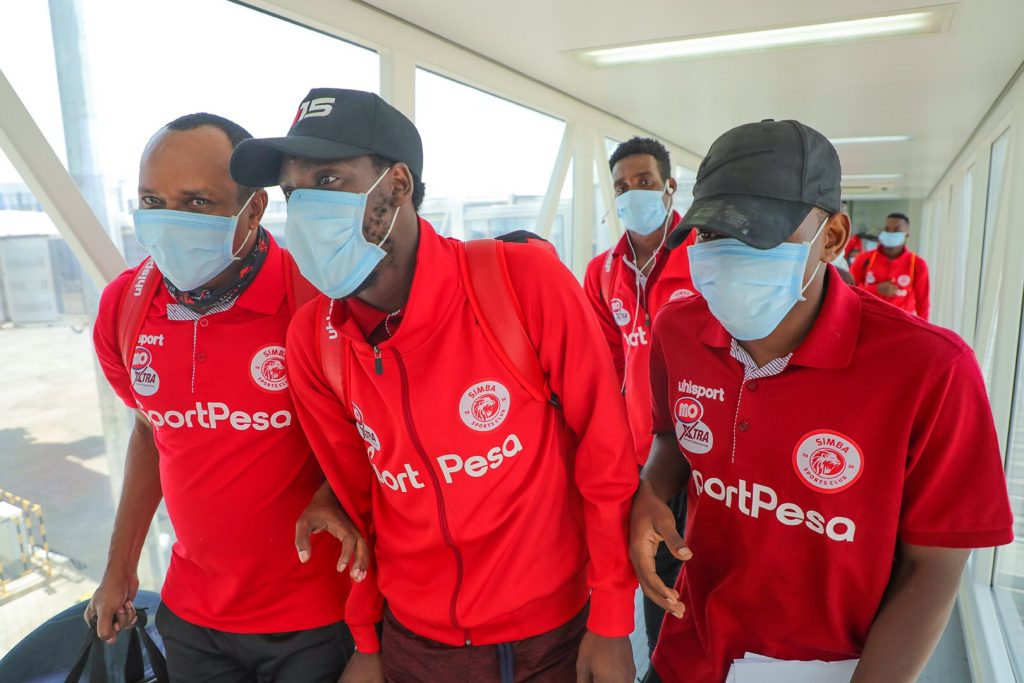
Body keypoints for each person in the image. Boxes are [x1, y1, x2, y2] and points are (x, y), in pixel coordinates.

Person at [229, 88, 639, 683]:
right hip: (416, 644)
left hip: (552, 634)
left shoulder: (520, 284)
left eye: (328, 180)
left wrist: (611, 621)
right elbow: (360, 501)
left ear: (397, 185)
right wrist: (368, 640)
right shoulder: (313, 340)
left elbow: (606, 454)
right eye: (294, 193)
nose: (306, 207)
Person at [630, 119, 1013, 683]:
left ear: (831, 237)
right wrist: (652, 490)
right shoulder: (679, 331)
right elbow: (672, 436)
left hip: (831, 665)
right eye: (711, 235)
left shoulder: (931, 370)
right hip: (691, 652)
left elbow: (934, 566)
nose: (728, 255)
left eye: (758, 234)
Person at [89, 113, 359, 682]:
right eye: (151, 200)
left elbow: (377, 435)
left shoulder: (313, 302)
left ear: (254, 209)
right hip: (193, 618)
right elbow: (150, 431)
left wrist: (333, 489)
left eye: (196, 203)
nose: (169, 221)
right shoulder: (125, 306)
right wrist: (120, 568)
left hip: (312, 621)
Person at [583, 137, 693, 658]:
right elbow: (601, 366)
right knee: (653, 577)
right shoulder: (603, 271)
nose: (633, 194)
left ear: (669, 187)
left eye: (645, 182)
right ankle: (661, 663)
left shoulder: (703, 254)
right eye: (622, 187)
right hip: (638, 456)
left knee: (697, 578)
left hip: (701, 454)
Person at [850, 212, 930, 319]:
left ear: (907, 235)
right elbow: (849, 291)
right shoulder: (864, 259)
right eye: (887, 230)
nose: (890, 233)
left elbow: (923, 304)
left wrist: (924, 332)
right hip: (868, 320)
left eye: (897, 230)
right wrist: (876, 289)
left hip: (902, 324)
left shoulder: (917, 264)